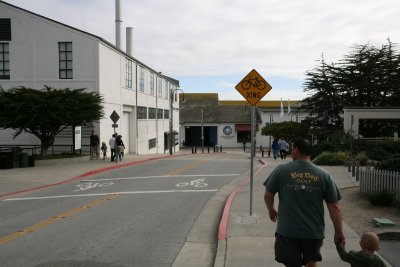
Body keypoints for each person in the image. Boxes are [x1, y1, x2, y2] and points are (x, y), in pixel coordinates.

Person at [264, 138, 344, 267]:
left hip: (287, 231)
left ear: (296, 150)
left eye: (292, 149)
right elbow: (334, 207)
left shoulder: (281, 170)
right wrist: (339, 231)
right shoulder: (324, 175)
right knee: (311, 263)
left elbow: (268, 195)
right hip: (313, 232)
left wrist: (271, 210)